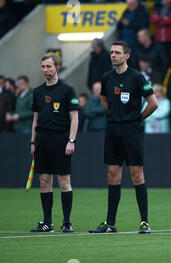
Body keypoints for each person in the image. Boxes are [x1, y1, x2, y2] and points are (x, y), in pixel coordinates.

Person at [89, 41, 158, 234]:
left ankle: (144, 222)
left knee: (137, 175)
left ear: (126, 56)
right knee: (112, 175)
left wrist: (137, 119)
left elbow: (153, 103)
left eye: (117, 53)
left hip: (131, 130)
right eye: (111, 52)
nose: (113, 55)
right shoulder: (106, 77)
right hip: (113, 130)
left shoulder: (137, 77)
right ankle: (110, 223)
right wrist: (114, 114)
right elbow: (104, 99)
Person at [30, 53, 80, 233]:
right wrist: (33, 141)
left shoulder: (67, 90)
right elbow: (35, 119)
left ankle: (67, 222)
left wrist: (71, 141)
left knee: (64, 182)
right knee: (44, 182)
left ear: (57, 68)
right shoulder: (37, 91)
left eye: (49, 66)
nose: (45, 70)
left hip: (61, 139)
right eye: (43, 67)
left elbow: (74, 118)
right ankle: (47, 223)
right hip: (42, 140)